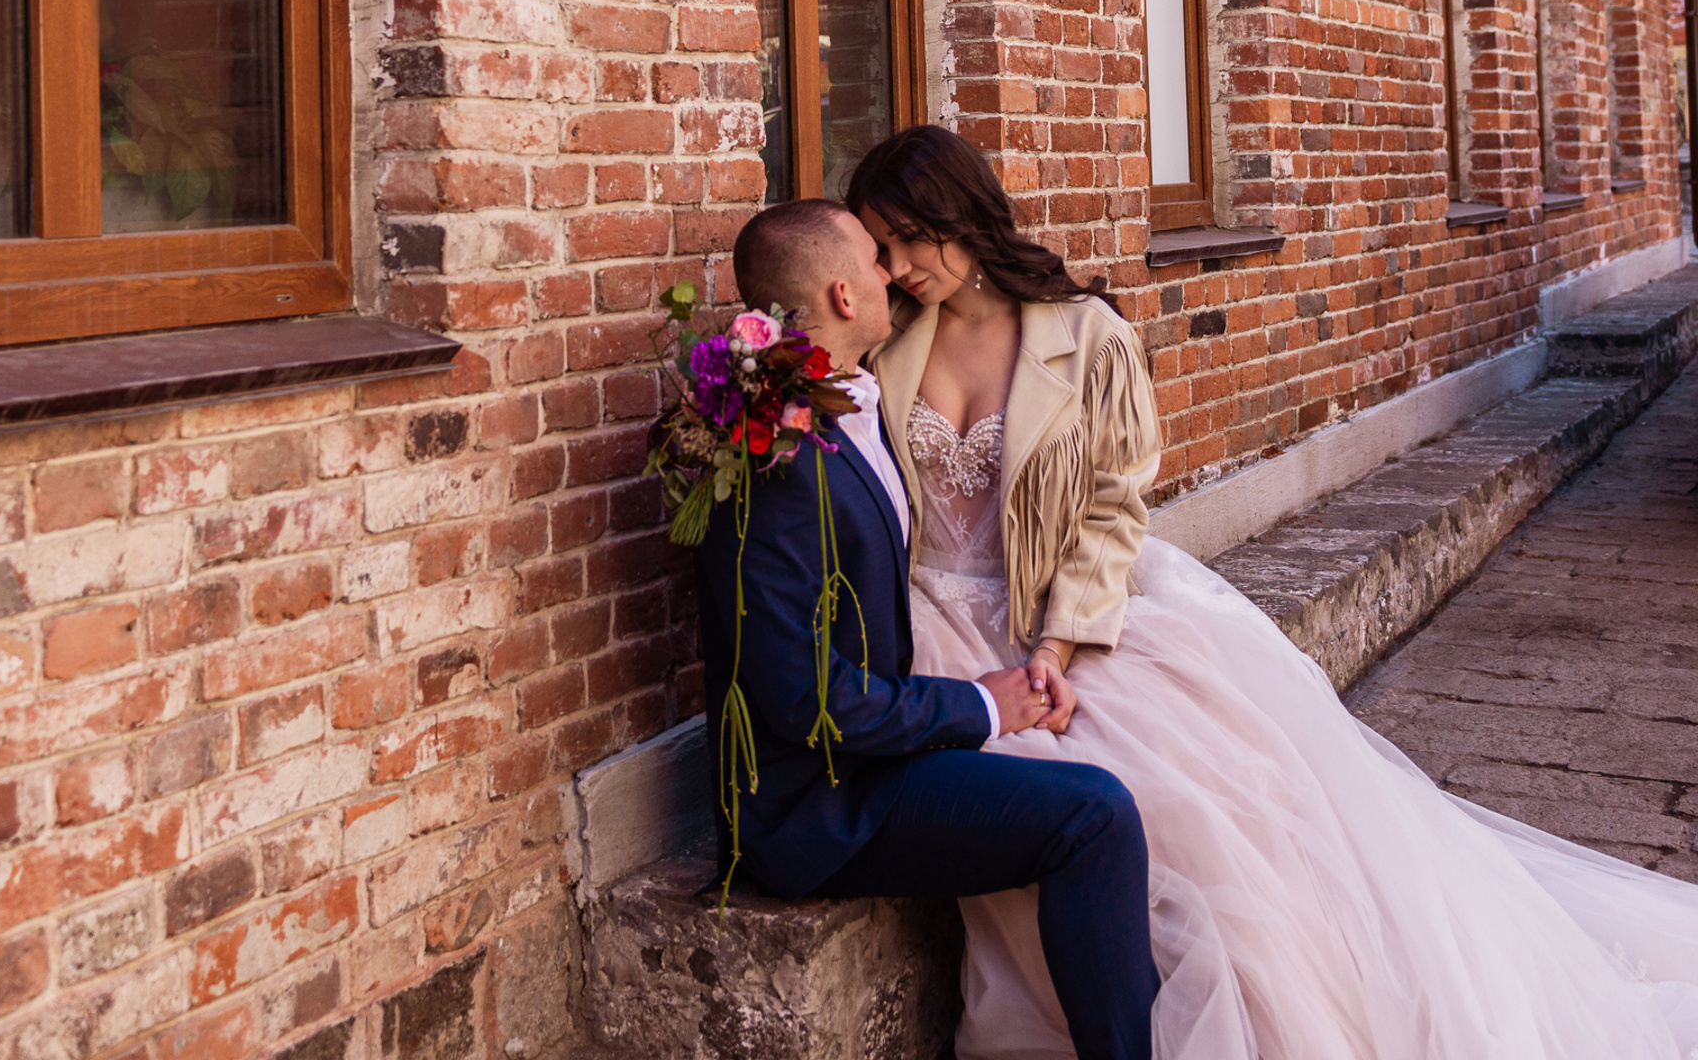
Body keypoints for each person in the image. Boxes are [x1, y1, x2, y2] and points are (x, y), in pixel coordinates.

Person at [848, 123, 1698, 1060]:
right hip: (923, 627)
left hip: (1061, 615)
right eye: (878, 247)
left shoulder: (1088, 336)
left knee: (1193, 812)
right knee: (1028, 794)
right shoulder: (883, 343)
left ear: (960, 216)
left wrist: (1055, 646)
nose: (894, 266)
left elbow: (1113, 506)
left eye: (906, 239)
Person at [691, 197, 1160, 1060]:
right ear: (842, 295)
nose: (891, 273)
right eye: (875, 260)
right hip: (821, 803)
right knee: (1094, 816)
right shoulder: (774, 463)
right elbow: (805, 701)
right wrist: (980, 707)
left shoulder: (854, 402)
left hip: (880, 746)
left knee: (1114, 787)